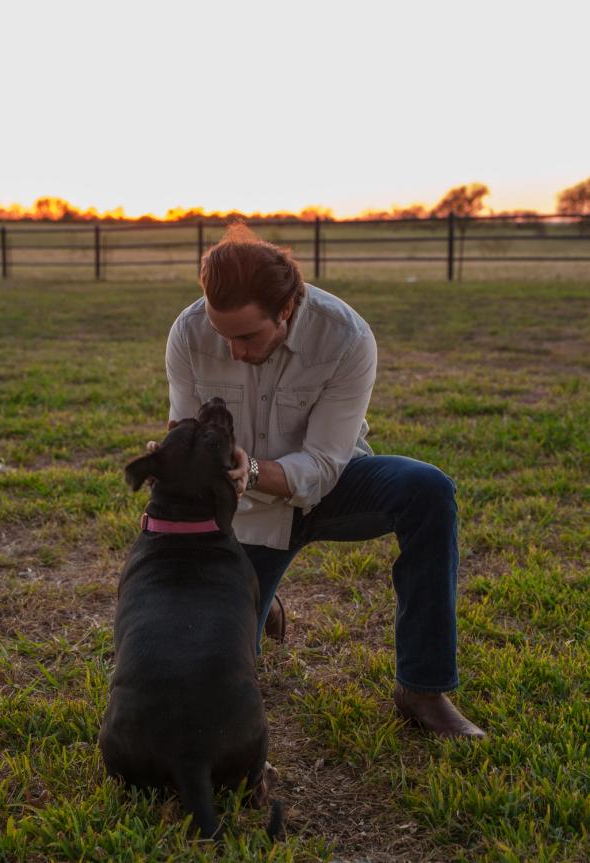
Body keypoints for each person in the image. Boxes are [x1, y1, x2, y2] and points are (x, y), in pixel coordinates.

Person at [163, 223, 484, 740]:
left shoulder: (346, 337)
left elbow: (325, 463)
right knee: (204, 676)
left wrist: (251, 470)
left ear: (286, 310)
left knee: (427, 490)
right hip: (243, 514)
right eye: (223, 336)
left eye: (247, 336)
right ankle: (255, 591)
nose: (234, 352)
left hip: (331, 491)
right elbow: (185, 429)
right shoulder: (189, 330)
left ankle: (422, 688)